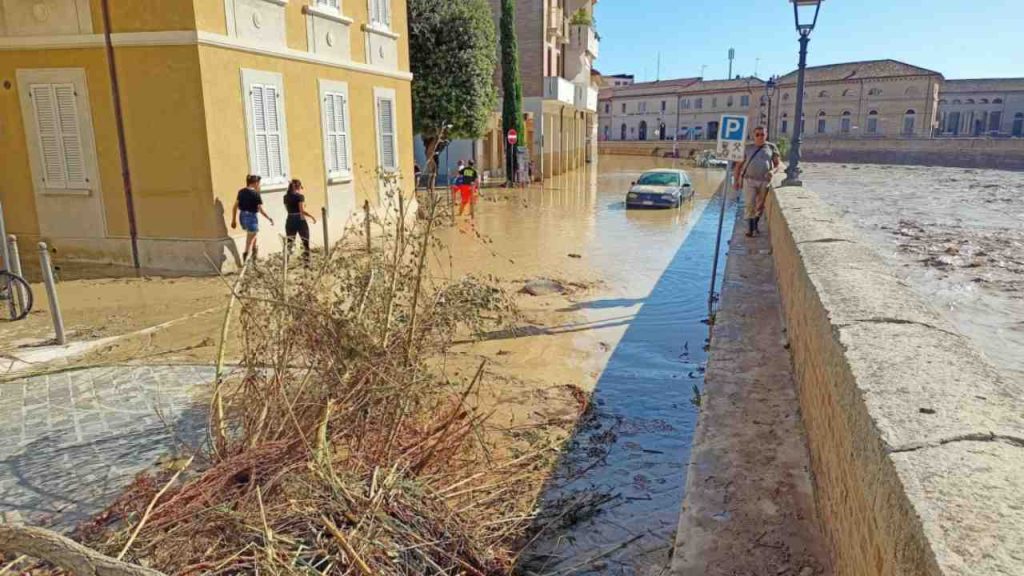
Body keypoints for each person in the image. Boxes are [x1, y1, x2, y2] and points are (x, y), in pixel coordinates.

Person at [733, 126, 781, 237]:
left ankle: (755, 225)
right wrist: (736, 180)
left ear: (766, 135)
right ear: (754, 136)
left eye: (762, 134)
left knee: (760, 205)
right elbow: (738, 165)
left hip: (764, 181)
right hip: (749, 180)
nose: (760, 137)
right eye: (757, 134)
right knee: (750, 204)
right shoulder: (748, 148)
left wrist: (772, 172)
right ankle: (750, 229)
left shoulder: (771, 147)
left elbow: (778, 164)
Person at [232, 174, 274, 262]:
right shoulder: (255, 194)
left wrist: (233, 220)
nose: (259, 185)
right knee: (249, 241)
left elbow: (235, 206)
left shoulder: (241, 192)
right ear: (255, 183)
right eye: (259, 183)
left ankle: (254, 258)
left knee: (253, 237)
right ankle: (246, 262)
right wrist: (269, 218)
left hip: (242, 216)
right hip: (251, 218)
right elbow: (261, 210)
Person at [283, 179, 317, 266]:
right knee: (305, 242)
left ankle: (285, 264)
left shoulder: (285, 197)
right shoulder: (300, 197)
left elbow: (287, 209)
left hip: (290, 219)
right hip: (299, 219)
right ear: (298, 187)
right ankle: (307, 263)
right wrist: (311, 217)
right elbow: (301, 210)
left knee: (289, 243)